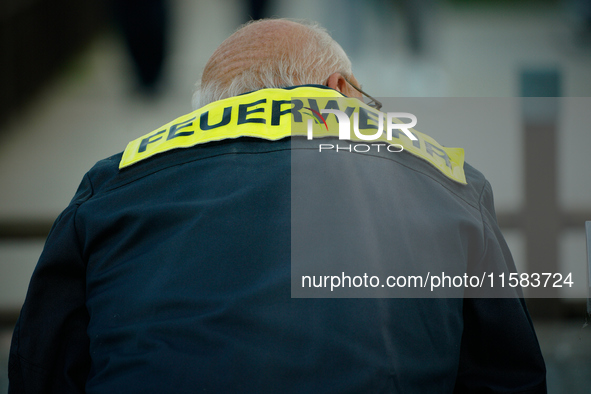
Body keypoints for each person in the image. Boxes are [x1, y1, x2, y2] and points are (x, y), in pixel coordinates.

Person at [8, 19, 546, 393]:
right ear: (340, 90)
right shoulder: (450, 181)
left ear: (210, 112)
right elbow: (508, 377)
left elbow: (40, 368)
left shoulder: (110, 185)